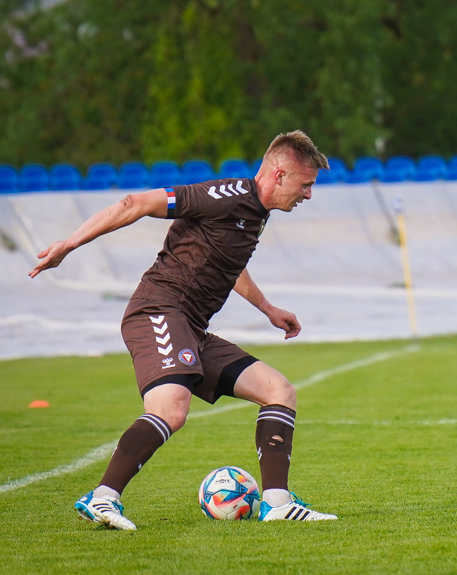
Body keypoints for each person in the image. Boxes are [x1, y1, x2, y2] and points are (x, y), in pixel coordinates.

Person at [29, 130, 338, 529]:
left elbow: (230, 263)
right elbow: (136, 203)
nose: (308, 195)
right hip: (158, 309)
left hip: (192, 327)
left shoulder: (255, 215)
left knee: (279, 391)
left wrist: (267, 308)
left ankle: (276, 503)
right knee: (170, 409)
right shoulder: (223, 195)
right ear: (279, 175)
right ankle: (102, 498)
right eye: (306, 184)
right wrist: (68, 245)